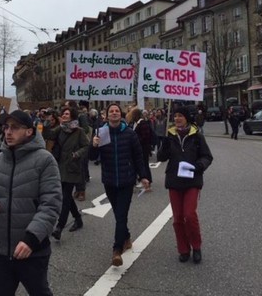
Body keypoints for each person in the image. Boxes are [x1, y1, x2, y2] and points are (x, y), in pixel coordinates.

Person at [0, 110, 62, 296]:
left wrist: (31, 239)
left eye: (15, 128)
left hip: (32, 249)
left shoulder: (45, 160)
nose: (8, 132)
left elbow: (51, 203)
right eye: (6, 127)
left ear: (29, 131)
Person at [90, 103, 149, 267]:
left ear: (120, 115)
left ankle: (117, 250)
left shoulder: (129, 133)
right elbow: (92, 156)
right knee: (118, 215)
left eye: (117, 111)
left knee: (121, 215)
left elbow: (138, 156)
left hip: (126, 180)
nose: (114, 113)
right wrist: (94, 145)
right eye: (111, 111)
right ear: (107, 115)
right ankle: (127, 237)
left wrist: (143, 176)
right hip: (109, 181)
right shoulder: (100, 133)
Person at [157, 107, 213, 264]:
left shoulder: (197, 137)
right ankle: (183, 249)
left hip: (192, 181)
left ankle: (196, 246)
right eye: (175, 116)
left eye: (180, 115)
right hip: (174, 181)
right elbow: (161, 158)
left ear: (187, 118)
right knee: (178, 219)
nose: (177, 118)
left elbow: (207, 156)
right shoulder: (170, 135)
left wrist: (199, 166)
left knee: (189, 215)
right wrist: (164, 143)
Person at [44, 106, 89, 241]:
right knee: (66, 196)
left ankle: (59, 227)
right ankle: (78, 219)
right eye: (63, 114)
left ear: (73, 116)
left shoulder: (79, 131)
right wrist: (46, 122)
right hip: (60, 166)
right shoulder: (61, 128)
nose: (64, 116)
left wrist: (77, 154)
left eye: (67, 114)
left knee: (64, 197)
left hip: (72, 166)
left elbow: (86, 146)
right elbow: (48, 135)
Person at [126, 108, 153, 191]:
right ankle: (142, 180)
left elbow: (146, 136)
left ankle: (148, 181)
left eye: (132, 115)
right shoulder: (136, 123)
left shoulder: (143, 123)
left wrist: (135, 140)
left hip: (143, 148)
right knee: (140, 164)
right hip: (139, 147)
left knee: (144, 164)